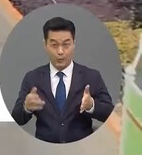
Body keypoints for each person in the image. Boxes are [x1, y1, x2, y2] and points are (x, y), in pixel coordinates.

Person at [10, 16, 114, 144]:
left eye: (66, 45)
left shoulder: (92, 77)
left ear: (74, 44)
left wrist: (91, 105)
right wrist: (26, 107)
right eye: (54, 45)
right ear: (45, 45)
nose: (60, 51)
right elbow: (17, 118)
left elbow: (109, 113)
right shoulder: (32, 78)